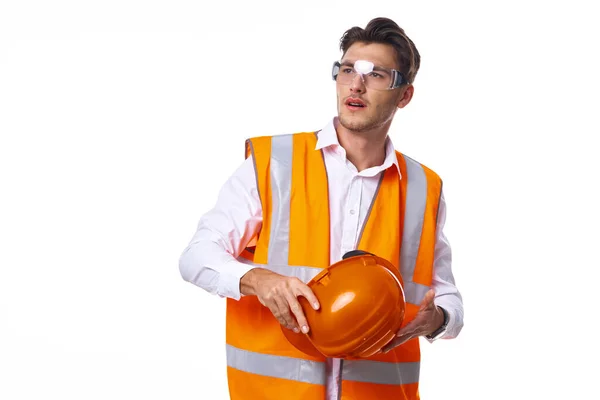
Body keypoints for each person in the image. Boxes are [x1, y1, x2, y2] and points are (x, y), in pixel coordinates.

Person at [179, 16, 464, 400]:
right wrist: (258, 280)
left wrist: (438, 319)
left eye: (376, 74)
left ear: (405, 95)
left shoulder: (423, 188)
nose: (356, 84)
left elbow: (446, 296)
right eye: (347, 70)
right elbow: (196, 256)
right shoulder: (274, 163)